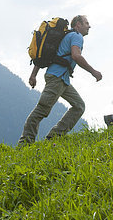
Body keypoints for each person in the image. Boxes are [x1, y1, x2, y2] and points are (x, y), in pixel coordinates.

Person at [18, 15, 102, 144]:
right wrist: (93, 71)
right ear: (78, 24)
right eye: (86, 23)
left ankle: (54, 137)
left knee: (79, 106)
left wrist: (33, 75)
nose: (89, 26)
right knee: (42, 110)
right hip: (57, 77)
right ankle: (25, 143)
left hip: (62, 78)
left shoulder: (66, 36)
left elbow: (48, 55)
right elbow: (76, 56)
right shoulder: (76, 36)